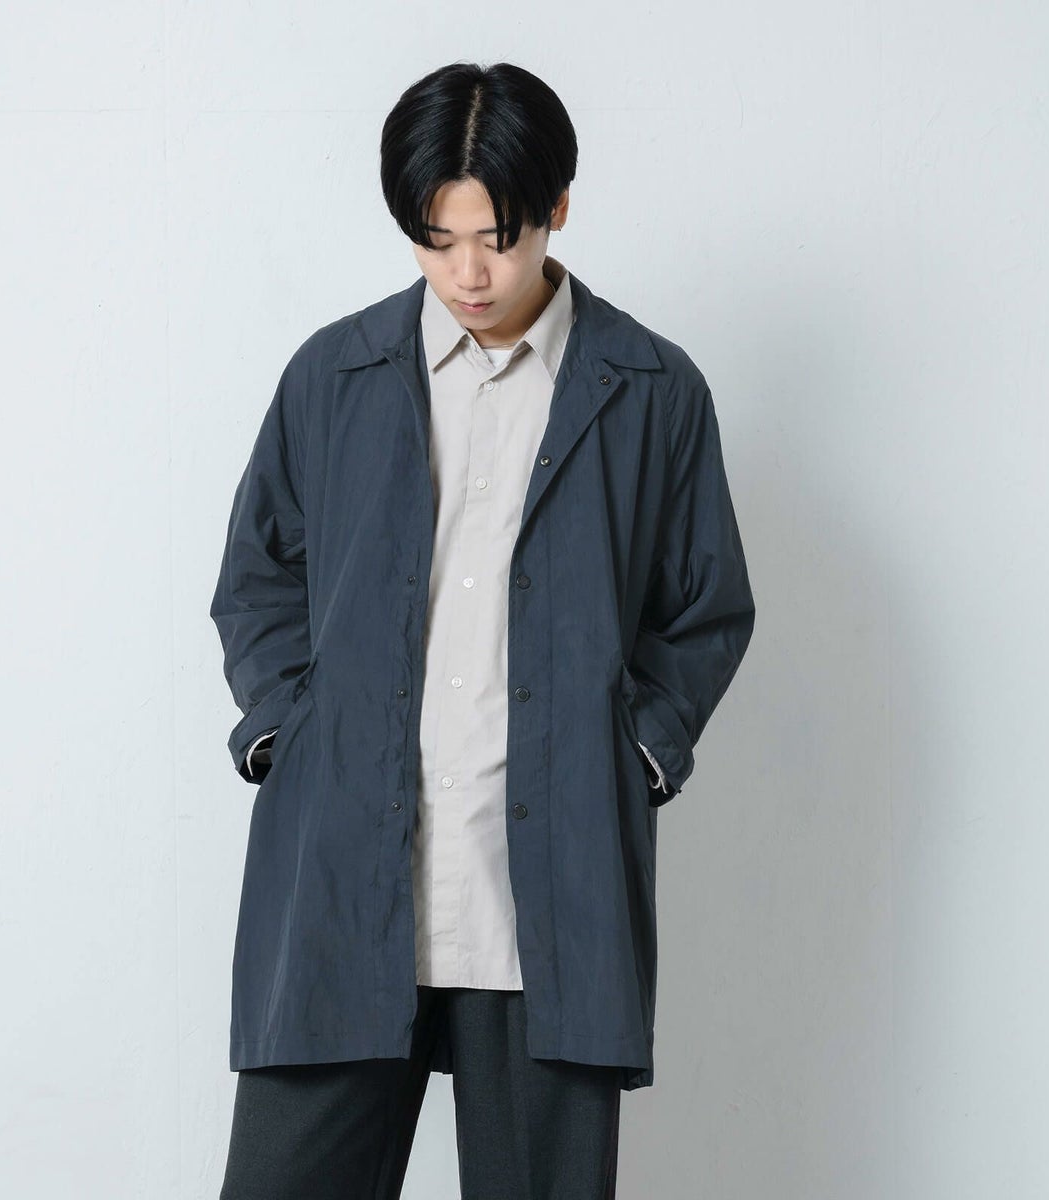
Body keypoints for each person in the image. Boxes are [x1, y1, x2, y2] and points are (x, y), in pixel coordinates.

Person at [211, 59, 755, 1200]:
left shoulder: (652, 391)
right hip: (345, 879)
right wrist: (289, 730)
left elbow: (705, 606)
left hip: (547, 893)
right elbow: (259, 575)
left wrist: (636, 751)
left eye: (498, 240)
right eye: (437, 239)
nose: (467, 273)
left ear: (558, 208)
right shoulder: (333, 376)